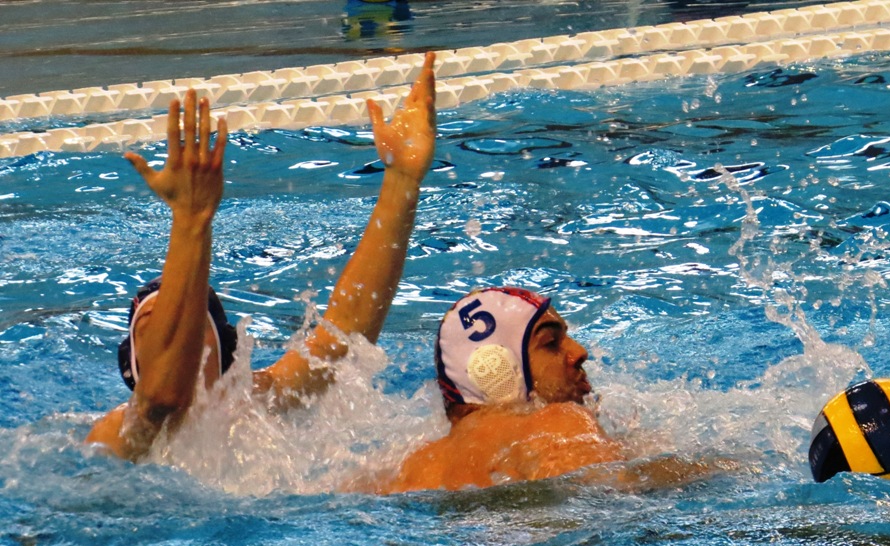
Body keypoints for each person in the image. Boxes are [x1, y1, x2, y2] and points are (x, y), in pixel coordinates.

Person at [85, 52, 437, 461]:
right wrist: (191, 220)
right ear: (133, 365)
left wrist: (401, 182)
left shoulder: (255, 400)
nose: (177, 339)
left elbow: (346, 334)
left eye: (191, 327)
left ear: (225, 352)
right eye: (155, 329)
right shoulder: (116, 436)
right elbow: (162, 401)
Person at [379, 287, 722, 494]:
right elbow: (611, 490)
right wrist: (719, 468)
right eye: (551, 343)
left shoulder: (405, 469)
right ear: (496, 372)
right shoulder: (557, 422)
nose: (579, 352)